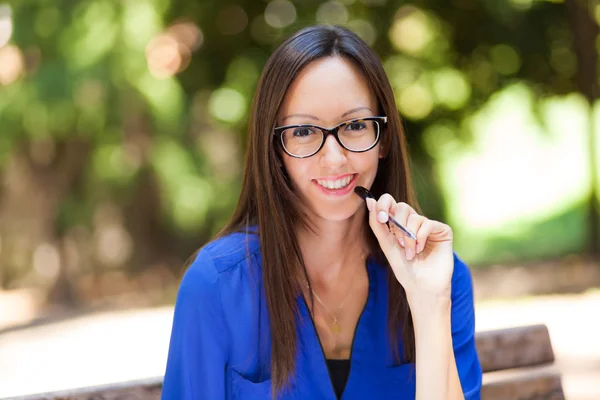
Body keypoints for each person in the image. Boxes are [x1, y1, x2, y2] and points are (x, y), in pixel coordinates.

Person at [161, 25, 482, 400]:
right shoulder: (216, 287)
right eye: (303, 132)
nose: (335, 159)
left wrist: (428, 305)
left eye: (356, 125)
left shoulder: (441, 278)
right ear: (275, 150)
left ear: (385, 139)